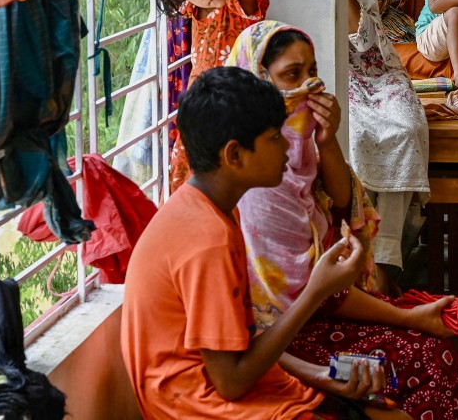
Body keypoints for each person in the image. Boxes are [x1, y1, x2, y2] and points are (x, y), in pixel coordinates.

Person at [226, 21, 458, 419]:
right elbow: (306, 296)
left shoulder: (294, 148)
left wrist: (327, 139)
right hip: (286, 335)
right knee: (426, 359)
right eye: (292, 75)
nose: (310, 85)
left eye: (312, 71)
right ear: (258, 84)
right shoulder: (261, 181)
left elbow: (343, 205)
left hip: (316, 311)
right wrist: (409, 317)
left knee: (431, 350)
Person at [121, 66, 403, 420]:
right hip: (197, 406)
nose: (287, 146)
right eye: (274, 138)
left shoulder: (210, 209)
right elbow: (230, 381)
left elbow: (237, 343)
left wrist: (320, 375)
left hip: (219, 387)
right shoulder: (208, 239)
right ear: (234, 155)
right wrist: (315, 291)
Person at [156, 0, 269, 191]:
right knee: (192, 196)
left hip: (238, 118)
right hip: (199, 119)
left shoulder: (242, 1)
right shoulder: (196, 11)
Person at [346, 0, 430, 290]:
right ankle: (369, 259)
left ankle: (386, 258)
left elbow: (369, 30)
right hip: (346, 67)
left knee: (408, 128)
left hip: (380, 64)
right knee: (358, 137)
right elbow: (355, 32)